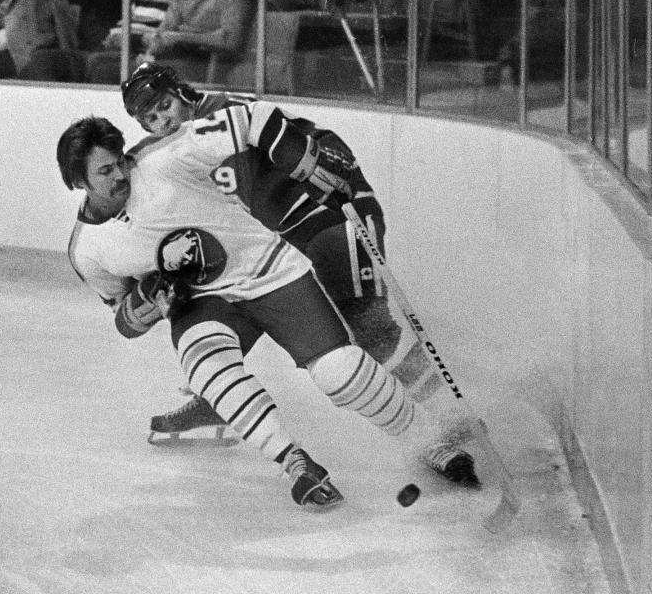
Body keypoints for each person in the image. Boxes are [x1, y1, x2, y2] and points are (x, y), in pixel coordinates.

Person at [58, 111, 446, 508]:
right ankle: (294, 461)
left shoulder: (162, 158)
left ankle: (431, 438)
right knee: (207, 369)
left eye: (119, 161)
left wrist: (307, 161)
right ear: (79, 182)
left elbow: (247, 118)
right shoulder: (87, 250)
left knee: (340, 373)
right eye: (104, 171)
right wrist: (147, 302)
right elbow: (123, 319)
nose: (120, 175)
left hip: (267, 268)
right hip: (201, 300)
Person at [121, 62, 479, 484]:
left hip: (331, 220)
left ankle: (446, 414)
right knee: (235, 315)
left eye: (165, 106)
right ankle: (217, 397)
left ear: (182, 92)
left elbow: (305, 136)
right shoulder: (168, 153)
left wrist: (329, 161)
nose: (163, 121)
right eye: (150, 118)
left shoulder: (224, 111)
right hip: (285, 240)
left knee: (370, 329)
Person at [137, 0, 249, 79]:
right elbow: (166, 28)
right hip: (176, 54)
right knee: (129, 64)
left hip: (206, 60)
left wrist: (183, 36)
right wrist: (149, 53)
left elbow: (230, 40)